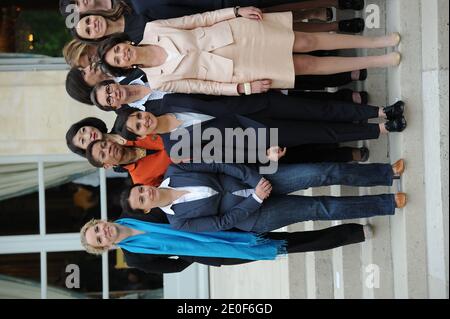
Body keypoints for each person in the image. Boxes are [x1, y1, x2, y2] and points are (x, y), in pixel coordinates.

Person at [97, 8, 401, 96]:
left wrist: (235, 11)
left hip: (237, 33)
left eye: (119, 50)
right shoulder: (157, 82)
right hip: (237, 70)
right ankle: (379, 60)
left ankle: (377, 42)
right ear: (124, 69)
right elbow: (202, 87)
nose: (122, 55)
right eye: (118, 60)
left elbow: (196, 20)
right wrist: (241, 88)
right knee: (305, 66)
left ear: (125, 43)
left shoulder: (153, 29)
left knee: (305, 41)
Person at [112, 93, 406, 163]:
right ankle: (381, 130)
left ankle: (380, 111)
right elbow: (223, 153)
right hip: (258, 137)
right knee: (321, 133)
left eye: (138, 117)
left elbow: (209, 88)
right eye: (138, 127)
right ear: (143, 136)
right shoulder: (174, 148)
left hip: (254, 105)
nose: (143, 121)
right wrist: (264, 155)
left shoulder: (167, 100)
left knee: (319, 110)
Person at [119, 161, 407, 232]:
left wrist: (255, 180)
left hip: (257, 179)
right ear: (146, 211)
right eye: (142, 199)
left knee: (321, 172)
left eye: (141, 189)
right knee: (320, 207)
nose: (146, 193)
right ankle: (386, 202)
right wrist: (255, 199)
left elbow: (220, 164)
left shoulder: (175, 168)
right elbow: (221, 223)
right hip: (256, 214)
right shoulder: (178, 222)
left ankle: (384, 173)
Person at [81, 217, 372, 260]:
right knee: (295, 244)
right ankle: (353, 233)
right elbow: (174, 266)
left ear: (102, 222)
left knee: (289, 216)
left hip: (221, 222)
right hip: (223, 249)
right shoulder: (135, 256)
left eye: (97, 228)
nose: (102, 232)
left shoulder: (134, 210)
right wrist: (199, 251)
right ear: (105, 247)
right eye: (99, 238)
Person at [59, 0, 366, 33]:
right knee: (269, 16)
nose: (83, 4)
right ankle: (334, 24)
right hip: (205, 14)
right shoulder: (131, 18)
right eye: (80, 9)